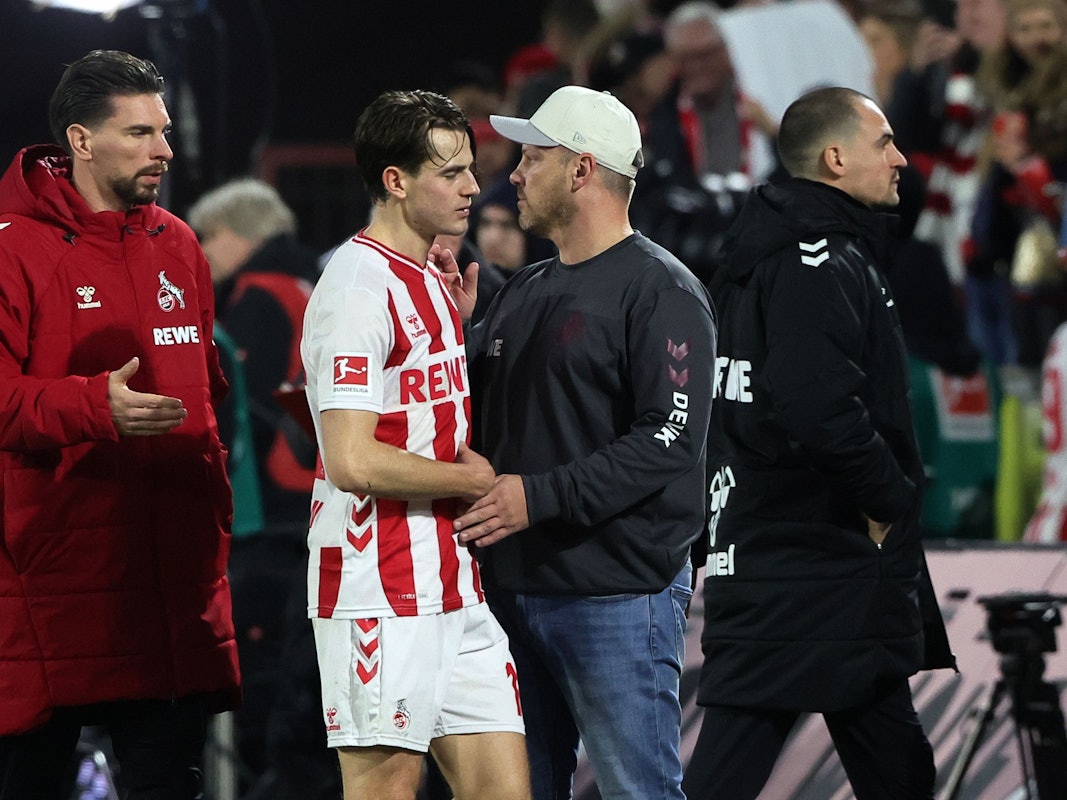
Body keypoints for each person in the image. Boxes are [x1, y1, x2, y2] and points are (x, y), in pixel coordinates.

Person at [684, 86, 955, 800]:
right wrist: (888, 497)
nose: (900, 159)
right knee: (735, 769)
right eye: (884, 143)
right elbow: (817, 406)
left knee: (894, 764)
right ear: (835, 158)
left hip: (780, 555)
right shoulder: (818, 260)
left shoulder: (756, 254)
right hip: (811, 557)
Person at [455, 85, 717, 800]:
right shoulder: (522, 289)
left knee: (638, 792)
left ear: (581, 170)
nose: (513, 175)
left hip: (615, 596)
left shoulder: (662, 290)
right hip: (513, 589)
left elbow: (669, 438)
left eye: (532, 158)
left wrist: (537, 497)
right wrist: (451, 335)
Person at [0, 50, 240, 800]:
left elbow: (206, 389)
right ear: (80, 140)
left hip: (168, 583)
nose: (163, 149)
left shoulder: (179, 243)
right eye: (139, 133)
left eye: (162, 131)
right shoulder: (11, 247)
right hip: (50, 585)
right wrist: (91, 407)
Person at [299, 89, 529, 800]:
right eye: (450, 173)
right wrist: (473, 482)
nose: (472, 187)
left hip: (452, 581)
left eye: (470, 169)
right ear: (395, 181)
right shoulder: (356, 289)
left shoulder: (431, 272)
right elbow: (352, 460)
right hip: (378, 586)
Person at [185, 177, 321, 789]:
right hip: (309, 499)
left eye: (209, 236)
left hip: (272, 508)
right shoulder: (308, 284)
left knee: (265, 668)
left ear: (243, 233)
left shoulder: (259, 296)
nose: (202, 251)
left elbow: (247, 405)